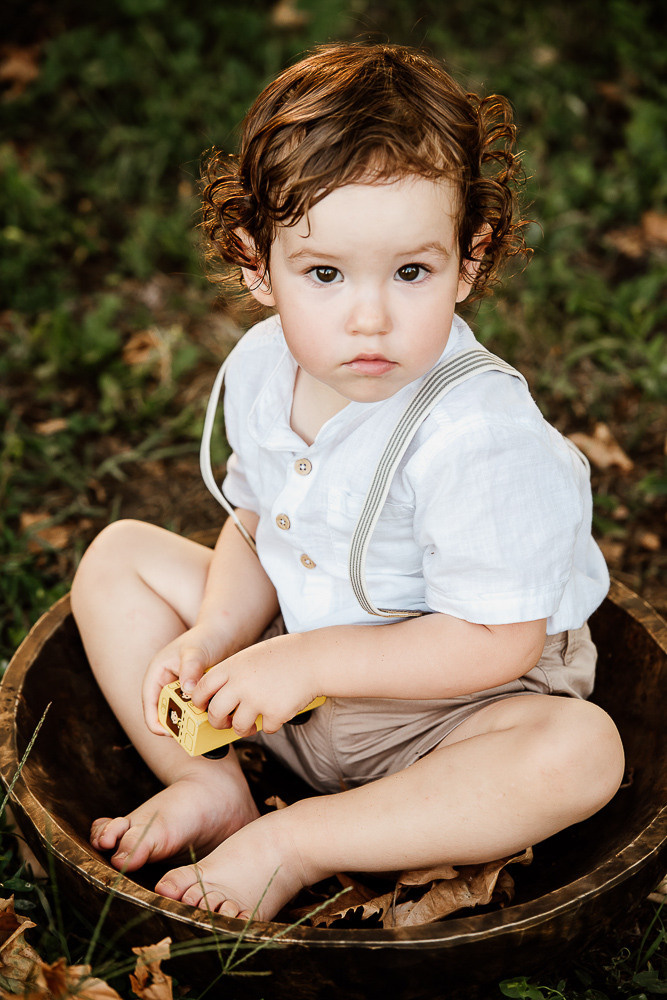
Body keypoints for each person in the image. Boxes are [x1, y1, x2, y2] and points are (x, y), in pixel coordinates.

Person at [71, 42, 624, 923]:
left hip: (447, 717)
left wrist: (308, 658)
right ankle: (208, 783)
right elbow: (259, 520)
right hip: (296, 669)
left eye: (411, 272)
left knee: (579, 752)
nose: (368, 318)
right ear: (257, 264)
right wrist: (219, 634)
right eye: (324, 275)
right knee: (118, 558)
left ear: (468, 258)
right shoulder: (263, 366)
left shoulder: (477, 434)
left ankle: (297, 841)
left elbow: (498, 642)